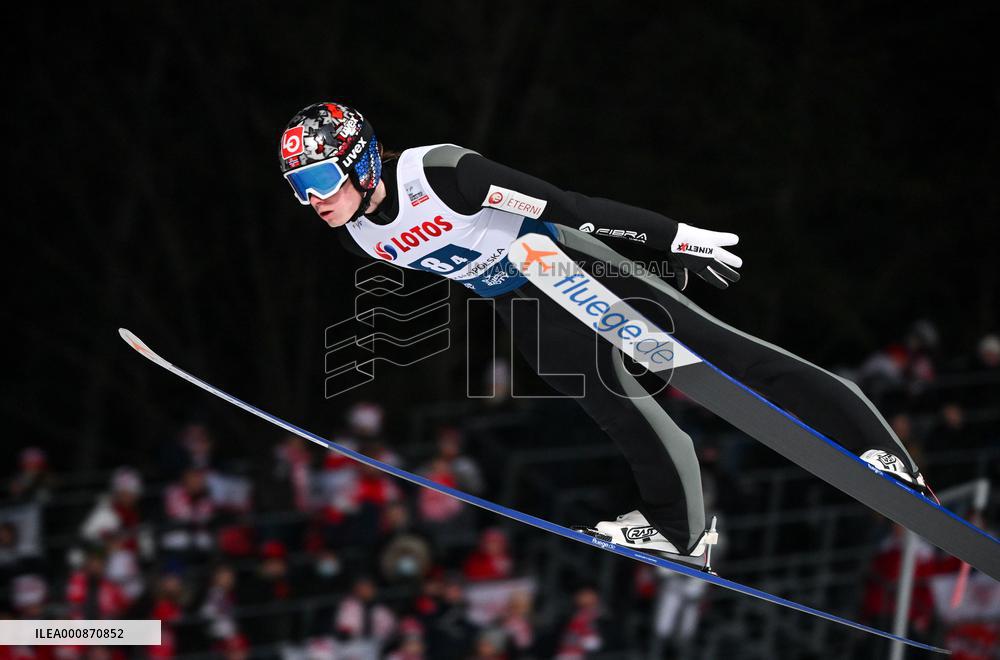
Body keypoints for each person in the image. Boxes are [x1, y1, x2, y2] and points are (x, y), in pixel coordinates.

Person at [277, 101, 928, 559]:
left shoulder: (445, 175)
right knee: (608, 405)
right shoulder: (357, 236)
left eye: (319, 180)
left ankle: (881, 451)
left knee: (723, 354)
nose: (313, 200)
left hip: (564, 259)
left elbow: (571, 208)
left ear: (361, 162)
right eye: (298, 188)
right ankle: (682, 530)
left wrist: (675, 238)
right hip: (516, 299)